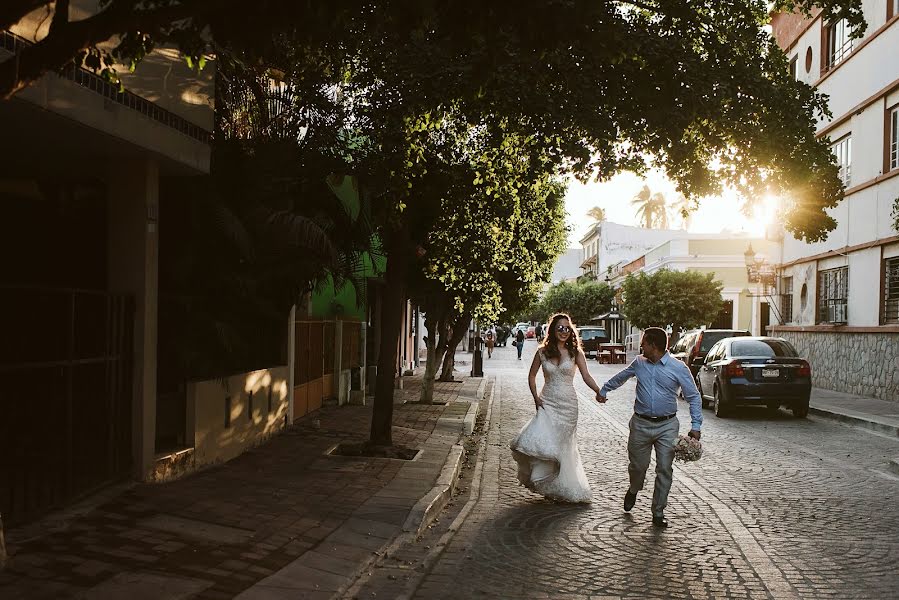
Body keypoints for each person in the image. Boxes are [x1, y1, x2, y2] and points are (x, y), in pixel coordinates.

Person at [597, 327, 702, 528]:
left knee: (664, 468)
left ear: (653, 345)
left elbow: (694, 397)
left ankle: (658, 512)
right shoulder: (639, 363)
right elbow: (622, 376)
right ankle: (634, 488)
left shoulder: (678, 368)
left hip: (667, 426)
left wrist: (696, 426)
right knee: (638, 467)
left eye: (644, 342)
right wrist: (604, 390)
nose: (641, 345)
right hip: (640, 424)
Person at [510, 313, 604, 503]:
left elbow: (586, 376)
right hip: (547, 403)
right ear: (553, 330)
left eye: (567, 328)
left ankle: (562, 486)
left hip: (568, 406)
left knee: (563, 448)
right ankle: (545, 482)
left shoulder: (575, 353)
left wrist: (598, 391)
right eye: (560, 328)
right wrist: (536, 398)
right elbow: (531, 376)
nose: (564, 331)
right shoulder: (542, 351)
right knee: (543, 442)